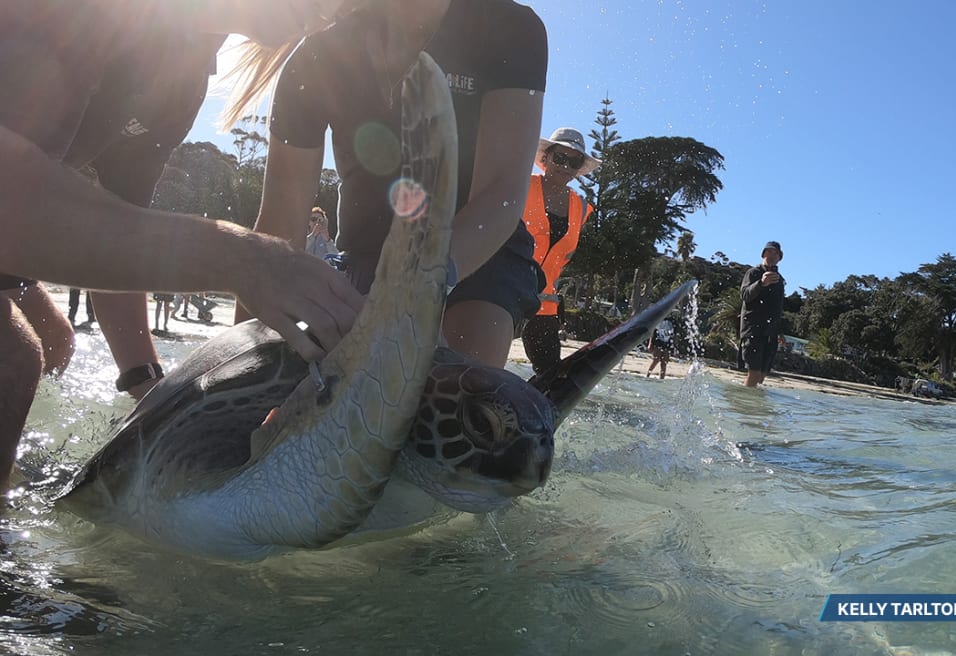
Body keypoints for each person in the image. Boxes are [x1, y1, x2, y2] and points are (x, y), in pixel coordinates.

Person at [0, 0, 364, 493]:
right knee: (14, 359)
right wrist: (239, 257)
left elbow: (123, 234)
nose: (336, 11)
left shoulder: (185, 76)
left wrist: (151, 390)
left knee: (55, 340)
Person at [236, 0, 547, 368]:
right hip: (367, 254)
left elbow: (499, 194)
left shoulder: (510, 25)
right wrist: (243, 359)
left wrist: (421, 286)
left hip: (479, 252)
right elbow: (279, 228)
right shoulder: (317, 55)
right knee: (288, 377)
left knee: (459, 385)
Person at [520, 127, 600, 375]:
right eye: (560, 158)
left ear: (578, 169)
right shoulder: (519, 187)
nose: (565, 166)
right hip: (503, 293)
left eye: (573, 161)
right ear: (545, 158)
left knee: (551, 378)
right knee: (482, 366)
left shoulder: (582, 207)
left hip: (544, 305)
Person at [738, 240, 786, 387]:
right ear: (763, 254)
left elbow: (778, 308)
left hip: (770, 332)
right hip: (753, 329)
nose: (771, 255)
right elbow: (745, 295)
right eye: (768, 252)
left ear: (779, 258)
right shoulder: (753, 273)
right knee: (754, 372)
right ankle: (743, 405)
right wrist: (761, 284)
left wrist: (780, 331)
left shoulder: (780, 280)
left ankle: (751, 406)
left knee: (763, 374)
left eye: (775, 253)